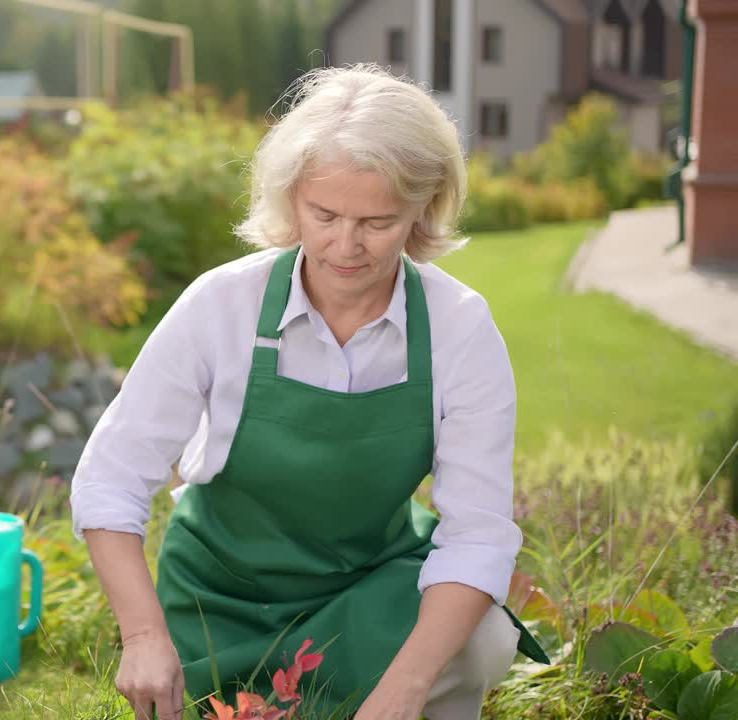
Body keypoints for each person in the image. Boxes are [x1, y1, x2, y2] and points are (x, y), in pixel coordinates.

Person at [69, 64, 550, 720]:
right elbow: (111, 479)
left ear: (421, 208)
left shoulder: (458, 328)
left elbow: (478, 534)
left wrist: (402, 692)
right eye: (324, 214)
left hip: (368, 591)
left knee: (486, 641)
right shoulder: (221, 305)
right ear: (291, 198)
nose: (344, 246)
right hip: (222, 599)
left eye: (377, 222)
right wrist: (144, 636)